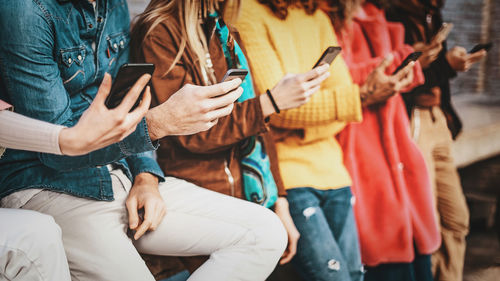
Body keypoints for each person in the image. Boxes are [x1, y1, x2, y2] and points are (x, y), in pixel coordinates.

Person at [0, 1, 288, 280]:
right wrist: (158, 123)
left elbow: (130, 101)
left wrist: (146, 175)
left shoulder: (114, 6)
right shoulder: (24, 10)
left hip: (120, 173)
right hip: (49, 187)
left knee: (266, 233)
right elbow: (59, 150)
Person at [131, 0, 332, 274]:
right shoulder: (160, 31)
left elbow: (260, 129)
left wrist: (279, 199)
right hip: (199, 197)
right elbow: (190, 134)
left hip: (250, 196)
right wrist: (270, 102)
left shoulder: (226, 31)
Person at [235, 0, 419, 279]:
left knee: (355, 276)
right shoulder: (245, 12)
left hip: (335, 173)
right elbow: (277, 108)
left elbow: (338, 104)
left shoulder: (317, 15)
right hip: (287, 177)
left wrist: (296, 123)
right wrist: (345, 104)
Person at [325, 0, 441, 280]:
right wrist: (400, 61)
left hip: (395, 140)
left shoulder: (376, 13)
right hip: (357, 144)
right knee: (383, 255)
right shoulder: (326, 17)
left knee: (413, 253)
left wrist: (408, 62)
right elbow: (334, 82)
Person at [0, 82, 149, 281]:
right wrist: (66, 139)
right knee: (37, 235)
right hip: (40, 187)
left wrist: (147, 175)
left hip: (116, 178)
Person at [386, 1, 486, 280]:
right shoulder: (392, 14)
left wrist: (453, 63)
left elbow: (432, 73)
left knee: (457, 220)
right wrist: (447, 66)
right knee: (425, 223)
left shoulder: (432, 12)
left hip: (438, 120)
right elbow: (400, 81)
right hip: (412, 120)